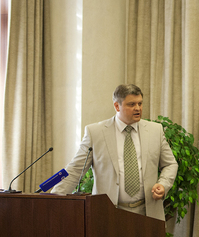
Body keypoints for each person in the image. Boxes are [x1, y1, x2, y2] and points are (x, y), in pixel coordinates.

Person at [52, 84, 178, 221]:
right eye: (131, 104)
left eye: (140, 103)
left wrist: (163, 184)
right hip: (107, 213)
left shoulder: (155, 131)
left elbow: (170, 164)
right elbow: (75, 169)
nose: (138, 108)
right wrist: (53, 199)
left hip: (148, 212)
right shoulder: (95, 133)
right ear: (117, 106)